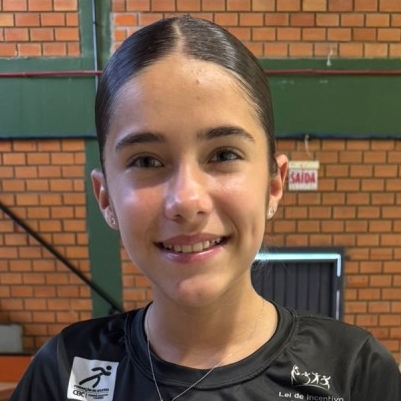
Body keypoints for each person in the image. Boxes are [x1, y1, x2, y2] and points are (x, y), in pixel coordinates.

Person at [11, 16, 401, 401]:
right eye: (146, 160)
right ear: (106, 197)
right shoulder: (64, 370)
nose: (186, 200)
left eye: (224, 154)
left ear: (273, 184)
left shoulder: (355, 372)